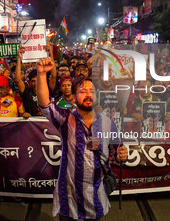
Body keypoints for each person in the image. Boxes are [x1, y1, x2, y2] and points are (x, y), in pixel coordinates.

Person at [36, 57, 128, 220]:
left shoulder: (108, 124)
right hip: (69, 194)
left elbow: (117, 153)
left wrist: (123, 155)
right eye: (82, 91)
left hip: (95, 195)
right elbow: (44, 103)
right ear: (74, 97)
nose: (87, 95)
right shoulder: (65, 119)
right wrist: (41, 74)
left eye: (91, 91)